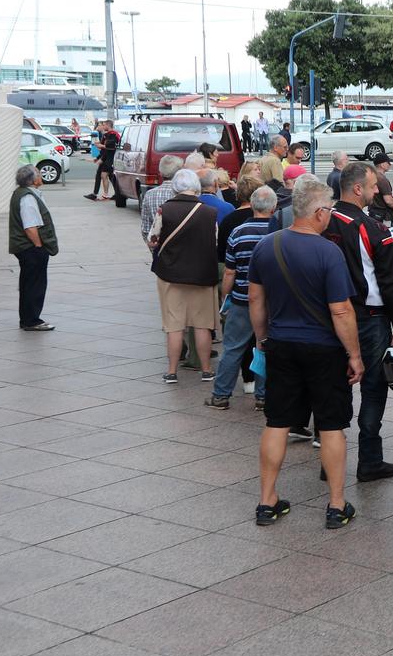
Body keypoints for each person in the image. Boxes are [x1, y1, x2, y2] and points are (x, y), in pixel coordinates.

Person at [247, 176, 365, 531]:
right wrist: (355, 355)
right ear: (317, 212)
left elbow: (256, 299)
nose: (329, 216)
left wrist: (262, 338)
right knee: (331, 426)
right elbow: (341, 310)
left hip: (281, 345)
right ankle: (336, 504)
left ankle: (267, 501)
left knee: (277, 421)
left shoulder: (266, 247)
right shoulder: (329, 252)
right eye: (327, 210)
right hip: (324, 350)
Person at [323, 161, 393, 481]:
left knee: (335, 385)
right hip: (369, 319)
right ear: (358, 188)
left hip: (331, 317)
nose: (377, 191)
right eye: (374, 186)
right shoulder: (374, 229)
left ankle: (330, 457)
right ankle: (370, 459)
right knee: (373, 388)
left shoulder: (323, 220)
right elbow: (389, 286)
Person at [206, 185, 276, 412]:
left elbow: (229, 272)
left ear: (253, 205)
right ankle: (263, 396)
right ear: (274, 207)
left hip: (242, 299)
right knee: (265, 346)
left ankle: (220, 395)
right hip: (271, 302)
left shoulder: (238, 232)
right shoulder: (279, 233)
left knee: (233, 348)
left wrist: (225, 294)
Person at [151, 169, 219, 384]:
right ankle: (206, 370)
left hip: (170, 274)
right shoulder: (210, 212)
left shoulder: (165, 210)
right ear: (196, 187)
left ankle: (172, 372)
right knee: (202, 324)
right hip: (202, 275)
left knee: (174, 325)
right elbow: (214, 242)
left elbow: (153, 239)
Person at [7, 164, 57, 332]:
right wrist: (38, 246)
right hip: (30, 248)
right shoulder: (27, 198)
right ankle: (31, 320)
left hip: (25, 248)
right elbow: (30, 227)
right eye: (38, 174)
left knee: (29, 283)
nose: (41, 176)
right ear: (33, 180)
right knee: (34, 284)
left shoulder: (24, 193)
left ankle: (27, 319)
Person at [139, 156, 184, 243]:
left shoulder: (149, 195)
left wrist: (154, 249)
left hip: (159, 247)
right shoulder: (183, 193)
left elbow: (146, 230)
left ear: (160, 173)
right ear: (179, 172)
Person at [85, 120, 119, 201]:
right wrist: (98, 157)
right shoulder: (106, 135)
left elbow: (110, 148)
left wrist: (101, 147)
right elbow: (105, 149)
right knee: (105, 176)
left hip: (109, 159)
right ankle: (113, 193)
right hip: (105, 158)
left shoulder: (112, 134)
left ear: (108, 125)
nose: (102, 127)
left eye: (103, 125)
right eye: (102, 125)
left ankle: (107, 194)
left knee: (105, 176)